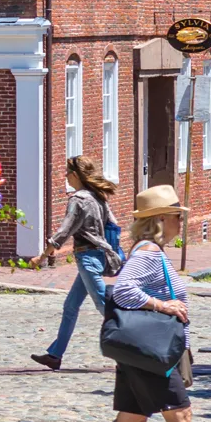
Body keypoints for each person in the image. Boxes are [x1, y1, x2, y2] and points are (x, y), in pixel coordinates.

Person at [65, 185, 199, 422]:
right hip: (153, 353)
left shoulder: (150, 250)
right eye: (177, 217)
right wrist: (162, 305)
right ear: (161, 219)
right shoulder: (149, 252)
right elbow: (123, 289)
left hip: (142, 352)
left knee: (132, 420)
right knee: (180, 415)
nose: (181, 222)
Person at [31, 155, 123, 370]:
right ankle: (55, 355)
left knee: (105, 306)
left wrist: (42, 257)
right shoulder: (98, 197)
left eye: (67, 173)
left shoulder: (79, 199)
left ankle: (133, 351)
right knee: (70, 306)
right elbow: (114, 224)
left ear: (75, 175)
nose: (65, 177)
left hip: (88, 258)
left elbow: (63, 232)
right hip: (98, 254)